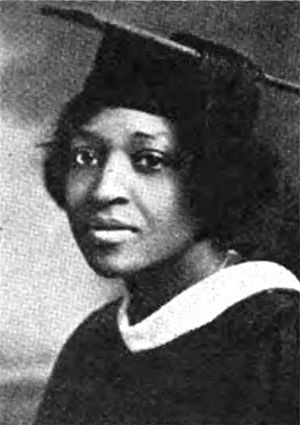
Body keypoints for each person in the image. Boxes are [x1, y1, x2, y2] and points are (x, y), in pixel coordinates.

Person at [34, 7, 299, 425]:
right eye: (86, 156)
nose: (104, 190)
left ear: (215, 180)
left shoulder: (280, 343)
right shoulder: (93, 343)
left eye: (149, 160)